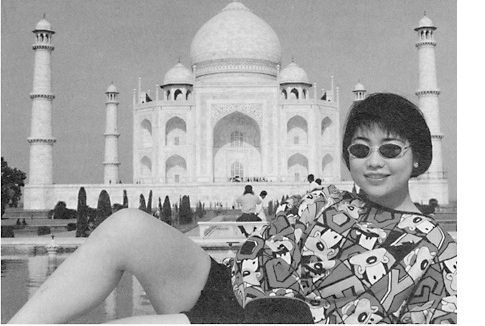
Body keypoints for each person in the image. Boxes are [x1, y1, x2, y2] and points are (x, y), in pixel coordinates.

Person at [9, 93, 456, 324]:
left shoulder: (434, 246)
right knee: (126, 224)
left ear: (417, 156)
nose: (373, 161)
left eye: (390, 149)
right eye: (360, 150)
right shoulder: (326, 198)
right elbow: (260, 251)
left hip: (277, 323)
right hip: (230, 291)